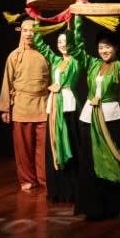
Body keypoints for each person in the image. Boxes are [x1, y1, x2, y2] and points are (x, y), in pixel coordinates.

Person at [69, 16, 120, 220]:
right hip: (89, 118)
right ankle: (96, 207)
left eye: (108, 47)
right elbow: (76, 47)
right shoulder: (92, 64)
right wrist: (76, 20)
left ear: (115, 48)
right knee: (91, 162)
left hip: (112, 118)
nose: (104, 50)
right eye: (100, 47)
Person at [0, 19, 51, 193]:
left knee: (43, 148)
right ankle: (27, 179)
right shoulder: (14, 56)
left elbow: (52, 81)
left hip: (42, 105)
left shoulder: (45, 54)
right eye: (25, 30)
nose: (29, 34)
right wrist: (5, 108)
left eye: (32, 30)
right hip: (21, 105)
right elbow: (7, 82)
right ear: (20, 32)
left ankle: (44, 178)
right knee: (23, 147)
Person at [31, 26, 82, 204]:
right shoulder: (55, 60)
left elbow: (78, 38)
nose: (62, 45)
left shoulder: (76, 60)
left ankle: (74, 190)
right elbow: (40, 44)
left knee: (72, 143)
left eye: (66, 42)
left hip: (69, 105)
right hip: (54, 106)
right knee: (53, 143)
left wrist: (75, 21)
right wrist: (36, 22)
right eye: (59, 42)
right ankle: (58, 189)